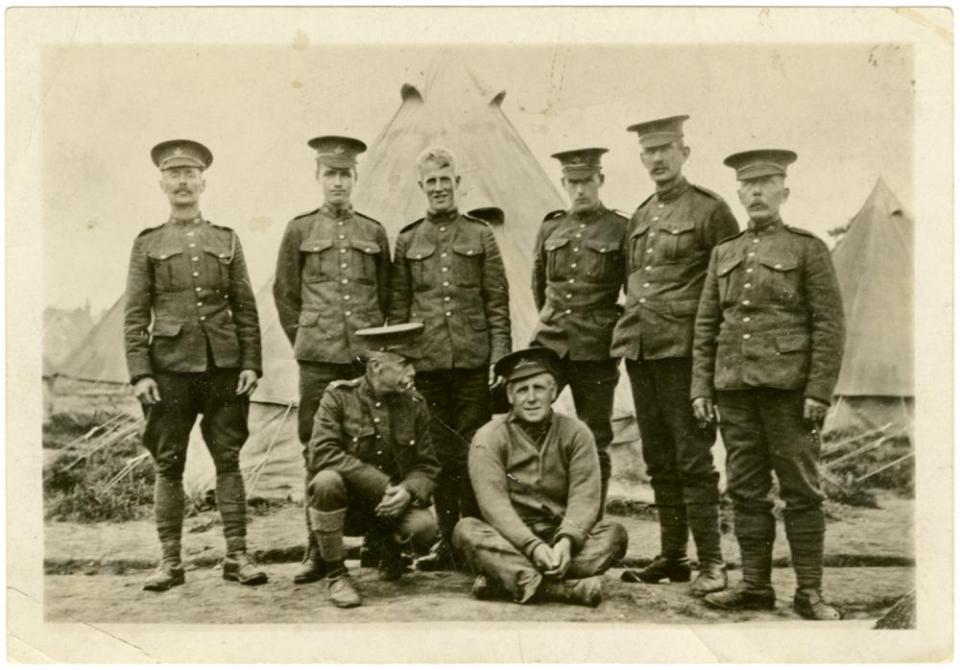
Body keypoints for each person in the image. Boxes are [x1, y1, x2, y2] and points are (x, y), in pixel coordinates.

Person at [691, 149, 845, 620]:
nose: (756, 192)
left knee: (801, 491)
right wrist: (702, 387)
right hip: (735, 391)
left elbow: (829, 325)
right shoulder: (725, 252)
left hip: (790, 394)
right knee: (745, 489)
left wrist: (819, 390)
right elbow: (706, 325)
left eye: (766, 183)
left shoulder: (807, 248)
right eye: (748, 185)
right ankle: (755, 586)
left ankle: (810, 593)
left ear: (784, 191)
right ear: (738, 193)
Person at [124, 139, 266, 591]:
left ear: (203, 181)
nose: (183, 181)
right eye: (174, 174)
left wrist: (251, 363)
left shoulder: (226, 239)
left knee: (228, 458)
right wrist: (141, 371)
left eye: (190, 174)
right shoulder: (148, 243)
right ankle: (170, 562)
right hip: (168, 368)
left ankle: (237, 556)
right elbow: (135, 313)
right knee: (168, 463)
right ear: (162, 183)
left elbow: (245, 306)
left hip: (223, 367)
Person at [611, 115, 739, 596]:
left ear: (685, 151)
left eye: (666, 148)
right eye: (649, 151)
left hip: (686, 355)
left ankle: (712, 562)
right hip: (641, 352)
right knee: (658, 458)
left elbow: (727, 291)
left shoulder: (710, 211)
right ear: (642, 158)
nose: (658, 159)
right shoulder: (641, 215)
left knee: (692, 459)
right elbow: (633, 284)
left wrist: (711, 370)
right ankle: (673, 556)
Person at [273, 135, 392, 584]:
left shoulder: (373, 231)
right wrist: (308, 339)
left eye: (345, 174)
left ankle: (379, 544)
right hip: (318, 362)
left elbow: (387, 297)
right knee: (316, 450)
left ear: (355, 177)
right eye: (330, 174)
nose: (338, 182)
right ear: (317, 177)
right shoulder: (299, 230)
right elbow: (286, 295)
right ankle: (318, 550)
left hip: (364, 360)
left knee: (375, 445)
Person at [388, 146, 512, 571]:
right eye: (431, 181)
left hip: (474, 364)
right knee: (437, 455)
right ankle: (445, 540)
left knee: (475, 452)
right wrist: (404, 364)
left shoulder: (480, 235)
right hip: (428, 367)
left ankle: (475, 541)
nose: (439, 188)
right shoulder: (407, 240)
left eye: (446, 180)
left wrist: (500, 356)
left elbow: (497, 301)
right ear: (421, 186)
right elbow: (400, 310)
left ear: (458, 184)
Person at [453, 347, 627, 607]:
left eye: (539, 388)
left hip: (560, 539)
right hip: (510, 539)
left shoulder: (577, 433)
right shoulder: (489, 436)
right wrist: (532, 547)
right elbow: (493, 505)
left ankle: (508, 577)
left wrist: (566, 542)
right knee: (466, 530)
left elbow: (585, 496)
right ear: (510, 396)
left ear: (553, 392)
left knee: (614, 534)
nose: (531, 398)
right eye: (522, 390)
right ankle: (562, 589)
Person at [304, 323, 440, 608]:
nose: (412, 373)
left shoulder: (414, 403)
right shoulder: (338, 396)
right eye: (404, 364)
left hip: (392, 506)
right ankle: (337, 574)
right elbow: (321, 453)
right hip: (349, 507)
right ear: (377, 365)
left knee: (425, 528)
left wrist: (408, 491)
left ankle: (387, 547)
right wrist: (384, 486)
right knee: (326, 481)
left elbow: (427, 465)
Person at [530, 147, 627, 508]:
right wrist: (553, 321)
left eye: (587, 181)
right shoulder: (551, 226)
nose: (580, 190)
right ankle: (540, 514)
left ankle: (592, 521)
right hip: (549, 343)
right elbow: (539, 286)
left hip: (596, 347)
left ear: (600, 179)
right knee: (531, 426)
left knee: (595, 437)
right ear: (563, 183)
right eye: (573, 183)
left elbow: (632, 290)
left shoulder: (620, 228)